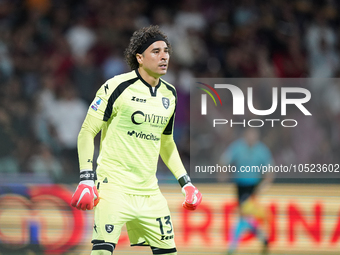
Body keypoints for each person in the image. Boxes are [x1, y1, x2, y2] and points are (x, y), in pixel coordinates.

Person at [70, 25, 202, 255]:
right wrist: (86, 178)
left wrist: (186, 183)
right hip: (113, 187)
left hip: (150, 192)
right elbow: (87, 132)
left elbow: (167, 143)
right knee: (101, 252)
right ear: (139, 58)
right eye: (156, 51)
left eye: (166, 51)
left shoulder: (169, 95)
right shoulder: (116, 87)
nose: (164, 56)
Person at [219, 128, 274, 255]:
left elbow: (270, 169)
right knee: (246, 217)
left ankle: (233, 246)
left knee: (244, 216)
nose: (251, 138)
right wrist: (223, 174)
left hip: (252, 188)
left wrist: (264, 185)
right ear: (245, 135)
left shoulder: (261, 150)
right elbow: (224, 160)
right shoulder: (238, 147)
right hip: (240, 186)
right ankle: (263, 238)